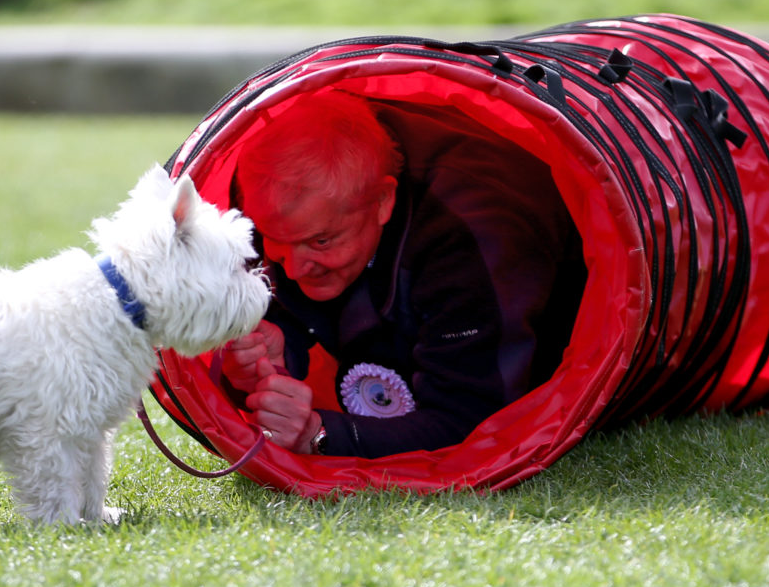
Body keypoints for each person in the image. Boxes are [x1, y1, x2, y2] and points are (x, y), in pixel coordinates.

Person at [221, 95, 589, 458]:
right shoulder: (269, 206)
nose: (294, 268)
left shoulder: (471, 235)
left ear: (383, 200)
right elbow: (279, 328)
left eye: (321, 240)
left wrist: (320, 436)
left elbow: (473, 425)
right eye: (276, 241)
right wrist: (257, 365)